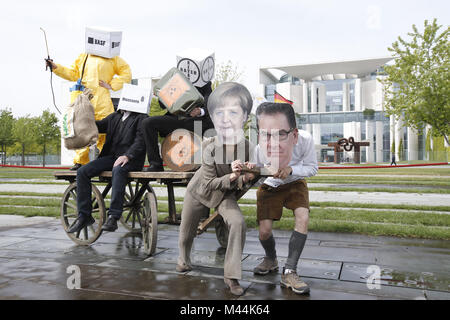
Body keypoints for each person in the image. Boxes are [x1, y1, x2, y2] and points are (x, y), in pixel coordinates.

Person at [176, 82, 257, 296]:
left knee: (238, 222)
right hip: (200, 191)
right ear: (213, 117)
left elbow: (251, 179)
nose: (225, 118)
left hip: (224, 195)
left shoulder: (248, 147)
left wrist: (250, 175)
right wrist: (232, 176)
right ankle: (183, 259)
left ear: (245, 116)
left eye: (233, 112)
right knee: (186, 233)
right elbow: (209, 183)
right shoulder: (209, 146)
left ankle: (232, 276)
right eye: (219, 112)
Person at [249, 102, 318, 295]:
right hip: (271, 186)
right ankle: (271, 259)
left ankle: (290, 271)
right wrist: (248, 172)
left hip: (295, 182)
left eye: (281, 133)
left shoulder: (305, 140)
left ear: (294, 135)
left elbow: (312, 168)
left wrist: (291, 170)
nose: (272, 142)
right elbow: (257, 178)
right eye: (265, 134)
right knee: (264, 231)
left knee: (302, 216)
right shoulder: (258, 150)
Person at [46, 47, 131, 170]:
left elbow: (126, 72)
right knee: (82, 129)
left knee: (108, 131)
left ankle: (107, 161)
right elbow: (74, 74)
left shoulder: (112, 57)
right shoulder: (84, 56)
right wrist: (55, 67)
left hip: (102, 99)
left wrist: (112, 85)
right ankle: (80, 161)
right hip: (86, 97)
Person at [67, 109, 147, 234]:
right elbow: (96, 126)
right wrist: (82, 118)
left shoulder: (141, 118)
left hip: (131, 159)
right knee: (82, 172)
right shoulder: (114, 117)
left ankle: (113, 217)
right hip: (111, 157)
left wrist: (128, 156)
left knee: (118, 170)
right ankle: (84, 216)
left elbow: (141, 141)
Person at [140, 81, 214, 172]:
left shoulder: (204, 82)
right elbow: (162, 105)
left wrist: (200, 111)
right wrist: (162, 94)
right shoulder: (176, 79)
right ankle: (155, 164)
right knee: (147, 123)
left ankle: (201, 164)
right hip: (176, 119)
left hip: (195, 121)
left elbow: (210, 103)